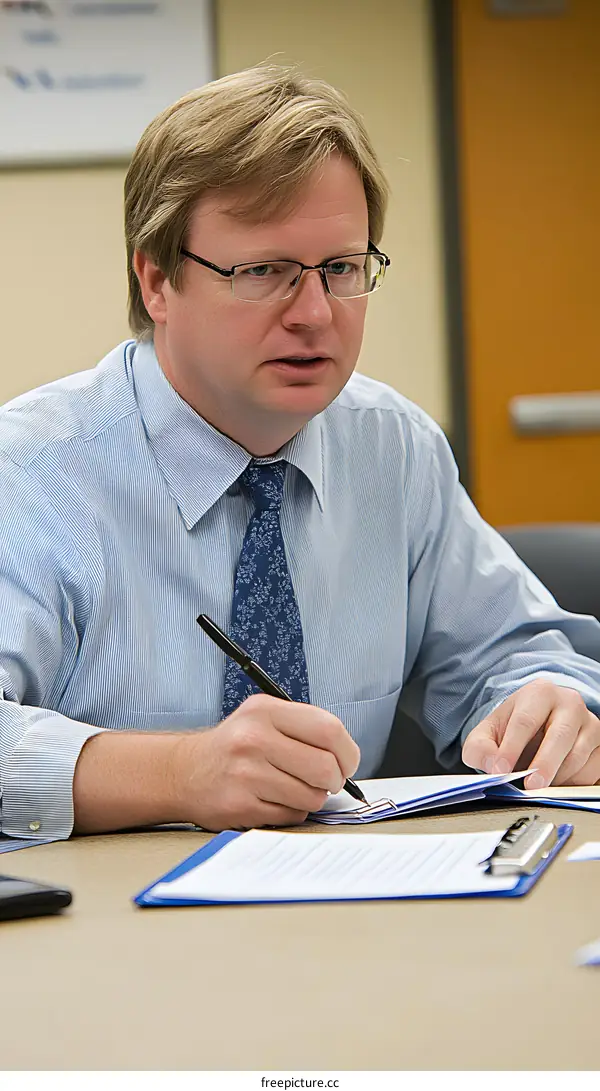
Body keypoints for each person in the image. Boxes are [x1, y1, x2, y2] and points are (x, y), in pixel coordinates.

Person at [1, 63, 600, 842]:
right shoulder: (34, 473)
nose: (315, 313)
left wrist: (546, 702)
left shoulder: (394, 450)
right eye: (265, 272)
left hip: (361, 919)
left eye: (341, 269)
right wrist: (179, 773)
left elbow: (513, 654)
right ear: (156, 281)